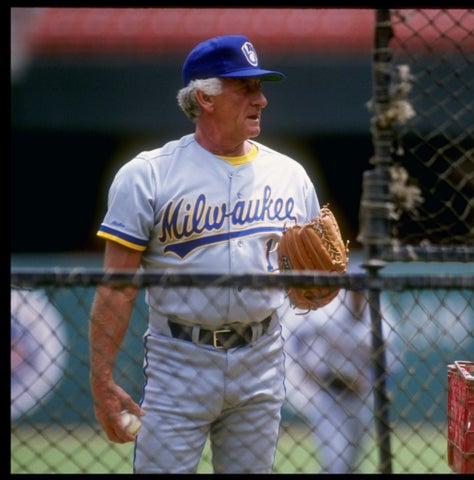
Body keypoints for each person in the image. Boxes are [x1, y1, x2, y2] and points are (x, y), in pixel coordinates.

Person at [88, 34, 322, 474]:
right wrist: (101, 379)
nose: (262, 99)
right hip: (179, 361)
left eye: (260, 87)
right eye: (246, 88)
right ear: (204, 97)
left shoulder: (290, 175)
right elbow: (116, 286)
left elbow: (309, 276)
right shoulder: (148, 175)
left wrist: (315, 289)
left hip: (262, 356)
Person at [281, 286, 402, 473]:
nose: (357, 295)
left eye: (361, 291)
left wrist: (369, 383)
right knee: (336, 460)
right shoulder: (328, 313)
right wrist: (306, 370)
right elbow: (296, 338)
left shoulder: (380, 317)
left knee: (353, 461)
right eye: (353, 290)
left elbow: (391, 360)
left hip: (361, 396)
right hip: (330, 396)